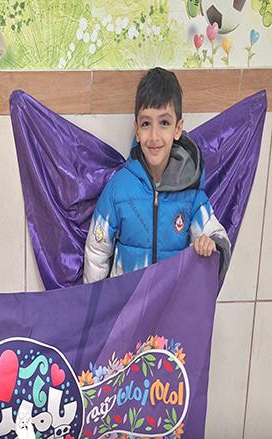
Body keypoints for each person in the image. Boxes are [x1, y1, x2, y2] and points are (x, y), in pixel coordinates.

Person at [84, 67, 230, 283]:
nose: (154, 136)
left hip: (171, 301)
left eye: (164, 123)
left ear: (178, 129)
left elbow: (218, 236)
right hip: (127, 302)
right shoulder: (118, 189)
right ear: (137, 130)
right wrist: (93, 302)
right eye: (146, 124)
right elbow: (96, 253)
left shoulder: (190, 192)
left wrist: (211, 244)